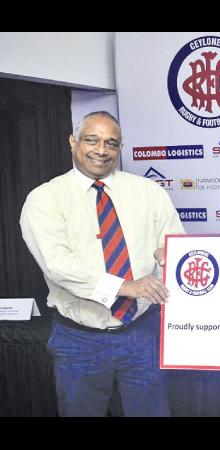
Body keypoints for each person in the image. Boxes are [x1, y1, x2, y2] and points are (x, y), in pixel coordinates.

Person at [19, 111, 184, 416]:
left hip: (143, 334)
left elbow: (175, 243)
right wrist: (125, 287)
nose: (101, 150)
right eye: (92, 140)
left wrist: (171, 256)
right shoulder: (45, 199)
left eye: (111, 143)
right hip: (79, 340)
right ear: (73, 142)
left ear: (120, 148)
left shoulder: (149, 193)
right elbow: (58, 265)